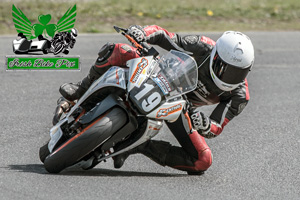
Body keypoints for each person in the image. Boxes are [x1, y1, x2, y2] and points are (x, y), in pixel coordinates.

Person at [55, 25, 254, 175]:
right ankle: (80, 91)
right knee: (119, 49)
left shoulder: (239, 96)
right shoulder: (203, 45)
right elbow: (163, 35)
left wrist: (204, 125)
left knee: (203, 160)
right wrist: (142, 32)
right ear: (216, 55)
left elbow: (217, 126)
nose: (230, 77)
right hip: (163, 73)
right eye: (225, 68)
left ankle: (140, 146)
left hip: (181, 108)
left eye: (239, 73)